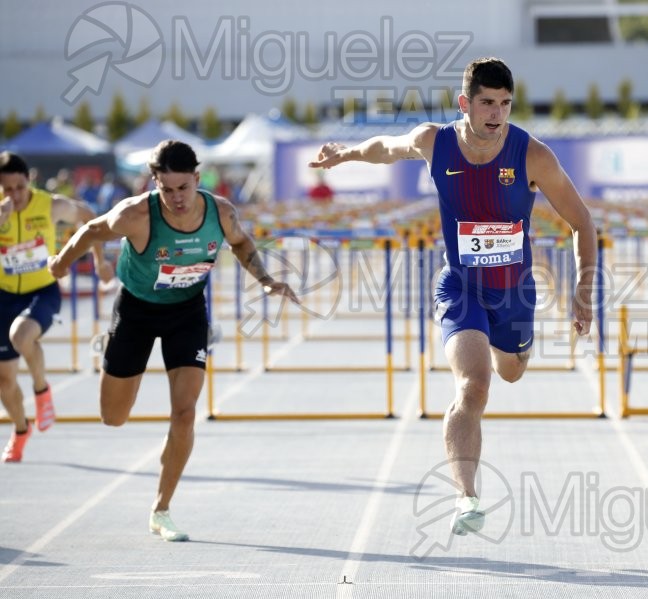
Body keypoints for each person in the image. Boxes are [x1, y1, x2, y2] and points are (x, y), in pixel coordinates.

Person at [309, 57, 597, 535]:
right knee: (473, 386)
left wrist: (584, 290)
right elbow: (387, 147)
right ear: (464, 103)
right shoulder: (434, 141)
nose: (497, 114)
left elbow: (581, 221)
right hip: (460, 286)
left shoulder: (533, 155)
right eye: (487, 103)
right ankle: (467, 498)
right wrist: (345, 155)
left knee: (512, 372)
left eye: (505, 104)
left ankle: (518, 349)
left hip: (514, 294)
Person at [48, 140, 299, 541]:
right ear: (155, 183)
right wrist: (61, 262)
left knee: (184, 413)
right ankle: (112, 352)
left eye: (183, 188)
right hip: (136, 310)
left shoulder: (221, 212)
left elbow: (240, 243)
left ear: (197, 180)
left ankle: (161, 509)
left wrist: (266, 281)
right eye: (167, 189)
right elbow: (90, 231)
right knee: (114, 417)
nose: (176, 198)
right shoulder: (135, 214)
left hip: (186, 312)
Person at [0, 151, 112, 462]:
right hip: (4, 295)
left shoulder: (49, 205)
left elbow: (89, 217)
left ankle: (41, 390)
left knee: (21, 336)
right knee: (4, 380)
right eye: (7, 189)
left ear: (29, 181)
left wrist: (100, 260)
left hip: (42, 290)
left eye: (20, 188)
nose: (15, 196)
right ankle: (21, 431)